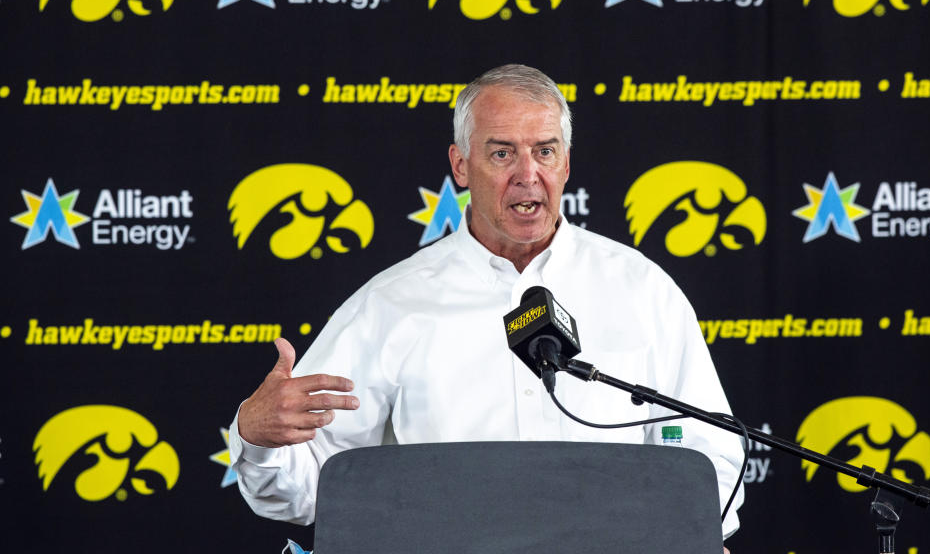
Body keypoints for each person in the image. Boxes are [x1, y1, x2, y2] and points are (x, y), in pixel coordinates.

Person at [229, 64, 745, 538]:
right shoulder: (391, 304)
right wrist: (257, 436)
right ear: (460, 166)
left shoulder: (643, 290)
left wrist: (690, 533)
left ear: (565, 164)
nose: (528, 174)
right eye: (502, 153)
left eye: (544, 150)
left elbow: (713, 456)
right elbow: (315, 487)